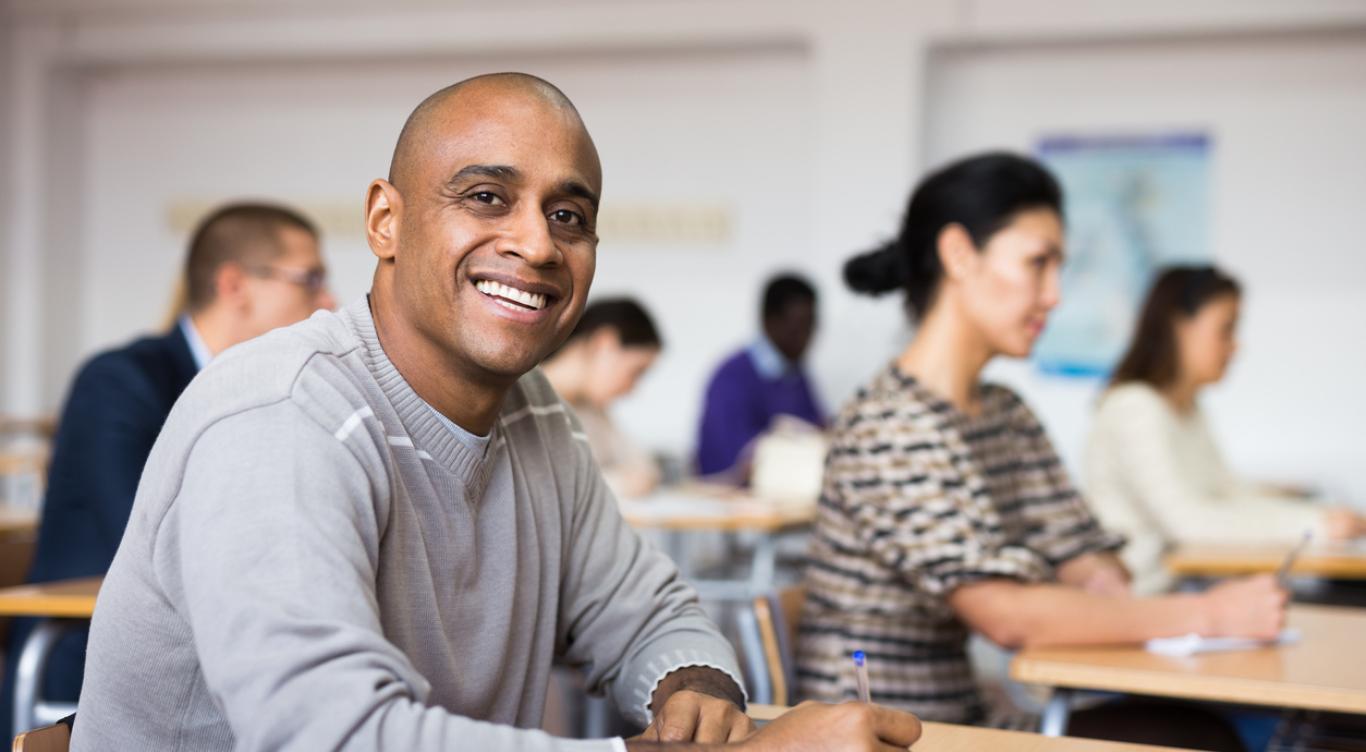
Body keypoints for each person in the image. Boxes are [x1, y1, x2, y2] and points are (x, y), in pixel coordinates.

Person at [70, 73, 921, 752]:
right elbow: (332, 738)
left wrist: (693, 684)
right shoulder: (282, 414)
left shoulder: (536, 416)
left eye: (569, 215)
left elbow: (653, 614)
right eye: (485, 196)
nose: (539, 244)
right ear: (385, 221)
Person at [796, 152, 1285, 750]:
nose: (1054, 295)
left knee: (1194, 732)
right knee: (1197, 738)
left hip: (968, 714)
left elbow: (1085, 555)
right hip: (886, 736)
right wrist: (1208, 615)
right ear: (958, 254)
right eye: (1038, 263)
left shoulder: (1005, 413)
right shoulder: (890, 425)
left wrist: (1093, 583)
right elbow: (1008, 615)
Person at [1, 202, 334, 740]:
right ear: (235, 285)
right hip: (90, 666)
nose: (329, 301)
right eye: (311, 279)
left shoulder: (269, 391)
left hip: (216, 651)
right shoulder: (120, 381)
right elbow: (156, 542)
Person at [1085, 265, 1365, 595]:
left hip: (1181, 591)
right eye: (1226, 329)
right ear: (1179, 327)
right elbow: (1189, 523)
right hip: (1144, 600)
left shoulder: (1187, 408)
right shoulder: (1134, 407)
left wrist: (1317, 516)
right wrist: (1313, 525)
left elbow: (1226, 491)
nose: (1236, 347)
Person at [695, 274, 823, 478]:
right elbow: (729, 459)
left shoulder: (795, 374)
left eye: (811, 325)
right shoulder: (732, 377)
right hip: (731, 502)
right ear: (769, 321)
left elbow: (815, 430)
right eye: (797, 327)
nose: (806, 336)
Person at [541, 298, 664, 499]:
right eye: (636, 372)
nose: (633, 388)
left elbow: (645, 471)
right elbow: (551, 487)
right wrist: (620, 482)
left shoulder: (591, 409)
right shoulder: (521, 399)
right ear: (604, 343)